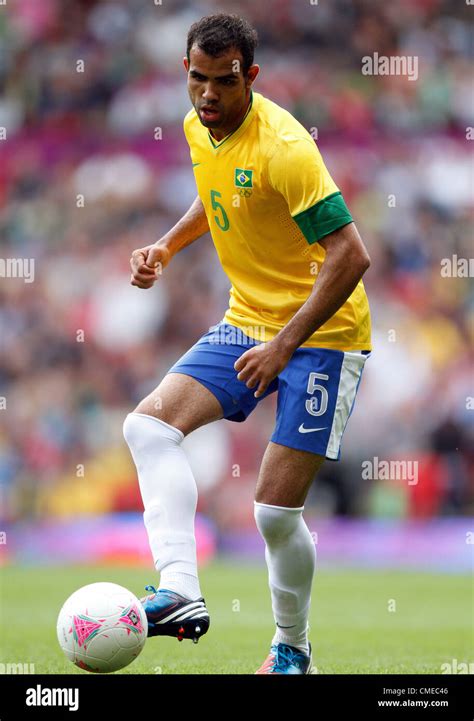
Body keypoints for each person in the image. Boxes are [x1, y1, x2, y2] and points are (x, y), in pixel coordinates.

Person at [123, 13, 371, 675]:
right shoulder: (196, 126)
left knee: (271, 513)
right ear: (187, 73)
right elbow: (218, 193)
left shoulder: (286, 147)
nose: (208, 94)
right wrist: (166, 248)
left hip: (325, 337)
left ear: (250, 77)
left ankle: (293, 649)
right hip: (246, 321)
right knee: (147, 428)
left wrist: (286, 345)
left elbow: (352, 255)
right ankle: (179, 590)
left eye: (223, 81)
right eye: (197, 79)